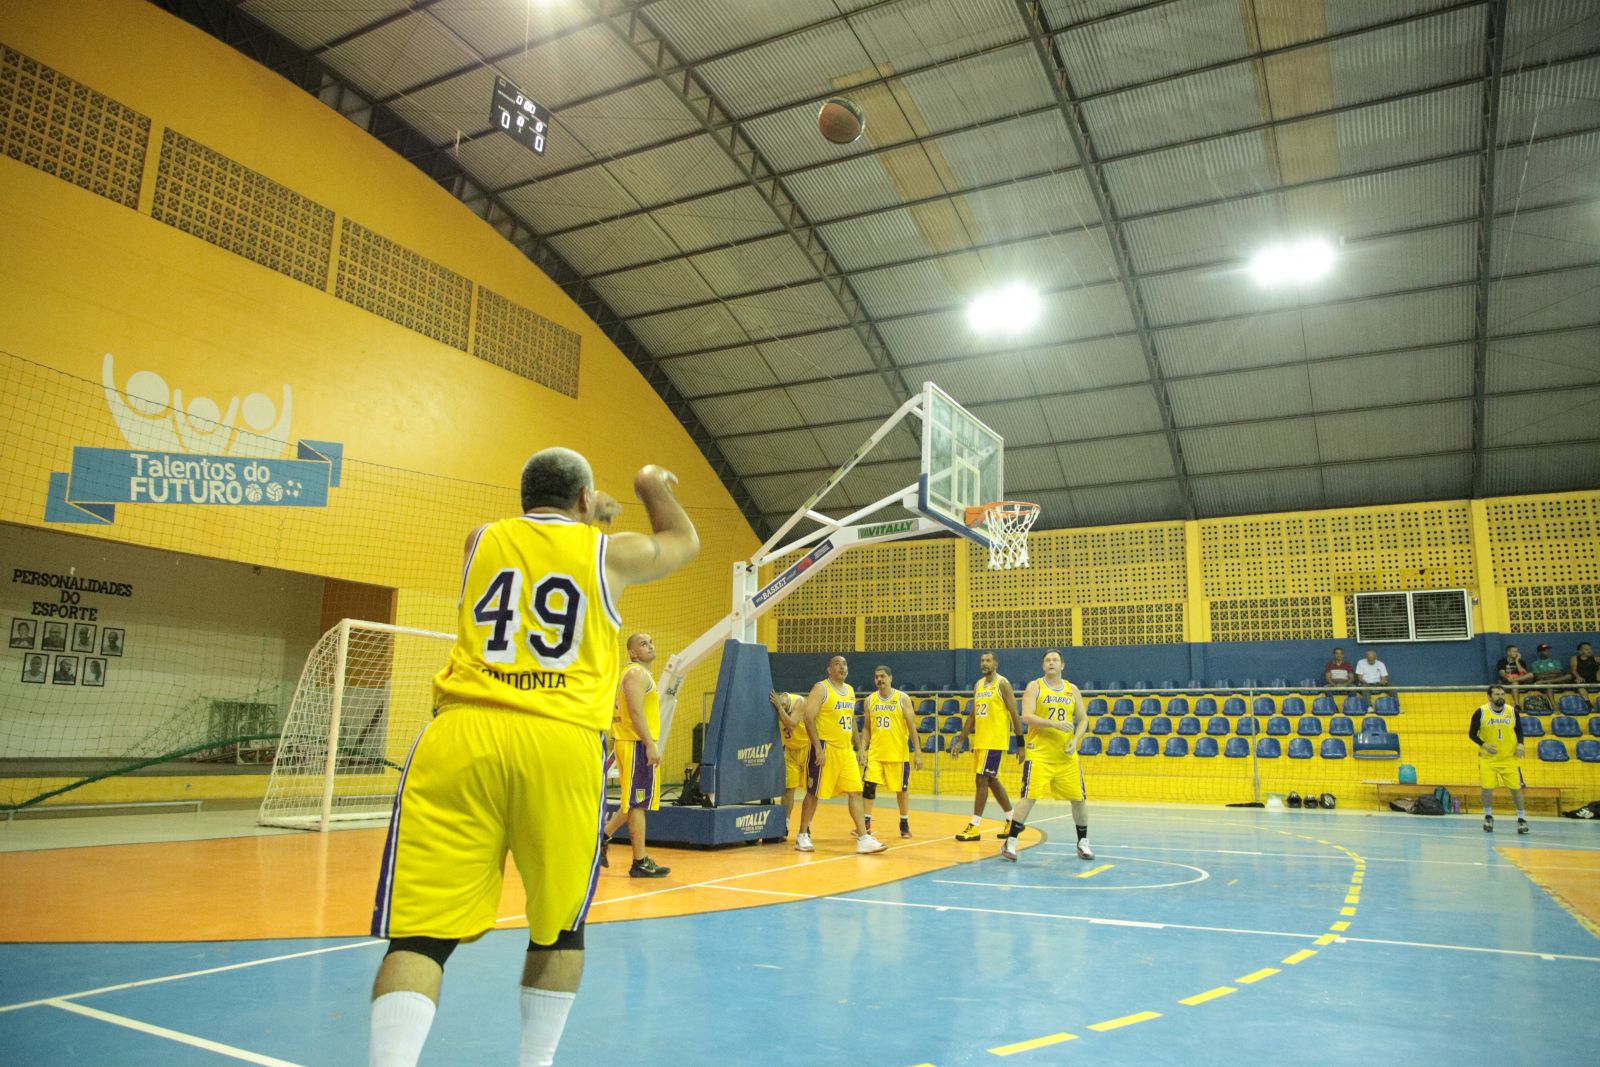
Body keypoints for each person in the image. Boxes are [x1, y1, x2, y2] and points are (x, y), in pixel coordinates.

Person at [367, 449, 698, 1067]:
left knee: (418, 936)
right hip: (560, 739)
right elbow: (681, 539)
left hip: (460, 736)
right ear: (583, 501)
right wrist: (648, 483)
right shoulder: (609, 552)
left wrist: (584, 507)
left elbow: (531, 534)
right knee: (560, 926)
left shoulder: (479, 541)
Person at [1002, 650, 1093, 862]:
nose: (1051, 663)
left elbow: (1084, 719)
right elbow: (1026, 716)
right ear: (1043, 666)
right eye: (1047, 660)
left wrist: (1076, 739)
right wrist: (1053, 723)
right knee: (1029, 797)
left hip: (1065, 756)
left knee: (1079, 799)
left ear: (1062, 665)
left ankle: (1083, 842)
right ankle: (1011, 841)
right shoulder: (1035, 687)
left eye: (1055, 660)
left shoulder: (1072, 690)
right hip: (1039, 754)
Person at [794, 655, 885, 855]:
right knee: (813, 793)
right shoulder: (821, 688)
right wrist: (817, 747)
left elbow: (851, 720)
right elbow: (808, 718)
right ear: (829, 669)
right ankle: (802, 835)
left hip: (846, 751)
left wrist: (860, 747)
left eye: (844, 664)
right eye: (837, 664)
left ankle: (863, 838)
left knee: (855, 791)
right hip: (826, 748)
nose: (842, 667)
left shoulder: (850, 690)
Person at [601, 633, 670, 879]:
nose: (650, 645)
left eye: (651, 641)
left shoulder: (636, 674)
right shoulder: (636, 675)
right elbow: (636, 713)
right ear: (632, 652)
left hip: (631, 742)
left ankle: (603, 838)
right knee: (638, 804)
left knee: (632, 802)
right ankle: (639, 862)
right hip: (635, 743)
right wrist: (650, 744)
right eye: (643, 643)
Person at [948, 652, 1023, 842]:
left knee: (981, 779)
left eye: (988, 660)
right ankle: (1011, 819)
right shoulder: (978, 685)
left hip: (995, 741)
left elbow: (1014, 713)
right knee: (991, 780)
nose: (984, 663)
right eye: (982, 660)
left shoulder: (1002, 684)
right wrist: (960, 740)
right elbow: (973, 716)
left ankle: (974, 826)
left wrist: (1020, 743)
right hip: (981, 741)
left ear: (996, 664)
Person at [860, 665, 922, 840]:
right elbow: (866, 728)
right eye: (876, 677)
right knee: (869, 787)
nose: (879, 680)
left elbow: (912, 726)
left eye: (882, 676)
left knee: (901, 790)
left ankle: (904, 822)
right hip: (876, 754)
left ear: (890, 678)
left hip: (897, 754)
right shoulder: (870, 700)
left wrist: (917, 751)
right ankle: (866, 823)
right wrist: (863, 749)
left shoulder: (902, 698)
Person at [1468, 685, 1529, 835]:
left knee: (1516, 789)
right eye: (1496, 694)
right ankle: (1488, 816)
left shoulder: (1512, 711)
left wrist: (1521, 744)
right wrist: (1484, 744)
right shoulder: (1481, 712)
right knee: (1487, 789)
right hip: (1488, 759)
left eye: (1502, 693)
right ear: (1489, 696)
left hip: (1509, 758)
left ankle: (1522, 819)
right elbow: (1471, 734)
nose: (1500, 696)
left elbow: (1519, 730)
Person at [769, 689, 810, 838]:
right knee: (788, 789)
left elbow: (792, 725)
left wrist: (779, 709)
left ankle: (807, 825)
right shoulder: (775, 707)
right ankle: (784, 823)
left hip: (807, 749)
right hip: (790, 751)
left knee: (811, 791)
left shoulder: (799, 702)